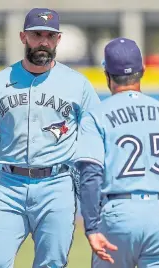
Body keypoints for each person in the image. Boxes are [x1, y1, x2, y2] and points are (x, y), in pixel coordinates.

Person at [0, 7, 100, 268]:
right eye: (37, 34)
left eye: (50, 36)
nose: (43, 42)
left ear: (58, 39)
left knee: (52, 263)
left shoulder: (78, 84)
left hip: (57, 185)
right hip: (9, 186)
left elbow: (95, 136)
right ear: (23, 37)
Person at [74, 37, 159, 268]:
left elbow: (90, 175)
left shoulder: (96, 116)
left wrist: (91, 227)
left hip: (119, 214)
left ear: (106, 74)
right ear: (142, 70)